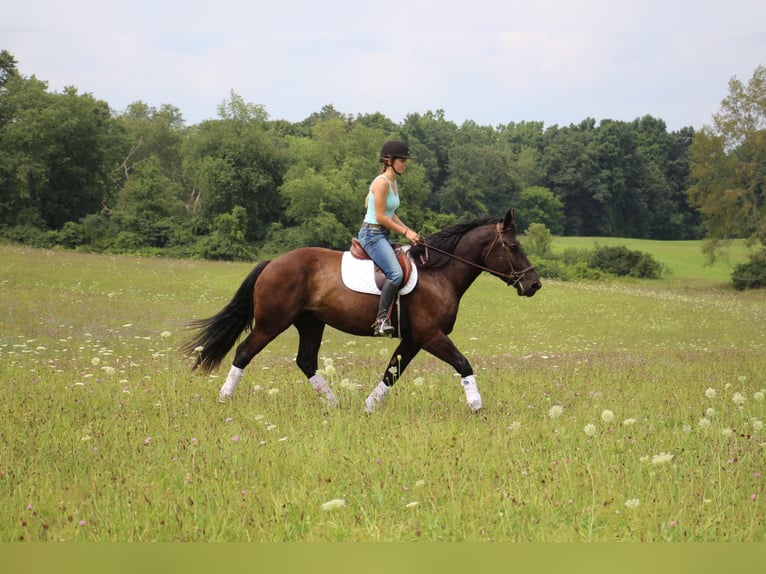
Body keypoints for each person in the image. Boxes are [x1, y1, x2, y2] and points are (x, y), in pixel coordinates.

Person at [358, 140, 421, 336]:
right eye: (402, 160)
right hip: (372, 234)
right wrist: (404, 233)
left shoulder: (393, 183)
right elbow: (380, 216)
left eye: (405, 160)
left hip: (382, 234)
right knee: (396, 274)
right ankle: (381, 320)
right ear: (389, 161)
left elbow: (391, 213)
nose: (405, 163)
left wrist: (410, 231)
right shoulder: (381, 182)